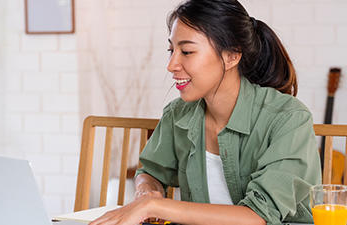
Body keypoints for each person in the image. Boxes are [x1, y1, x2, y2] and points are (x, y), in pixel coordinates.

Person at [90, 0, 318, 225]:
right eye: (171, 49)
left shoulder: (289, 119)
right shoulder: (178, 115)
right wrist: (146, 191)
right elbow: (150, 171)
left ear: (232, 56)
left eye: (187, 51)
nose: (171, 64)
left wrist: (153, 206)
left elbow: (256, 217)